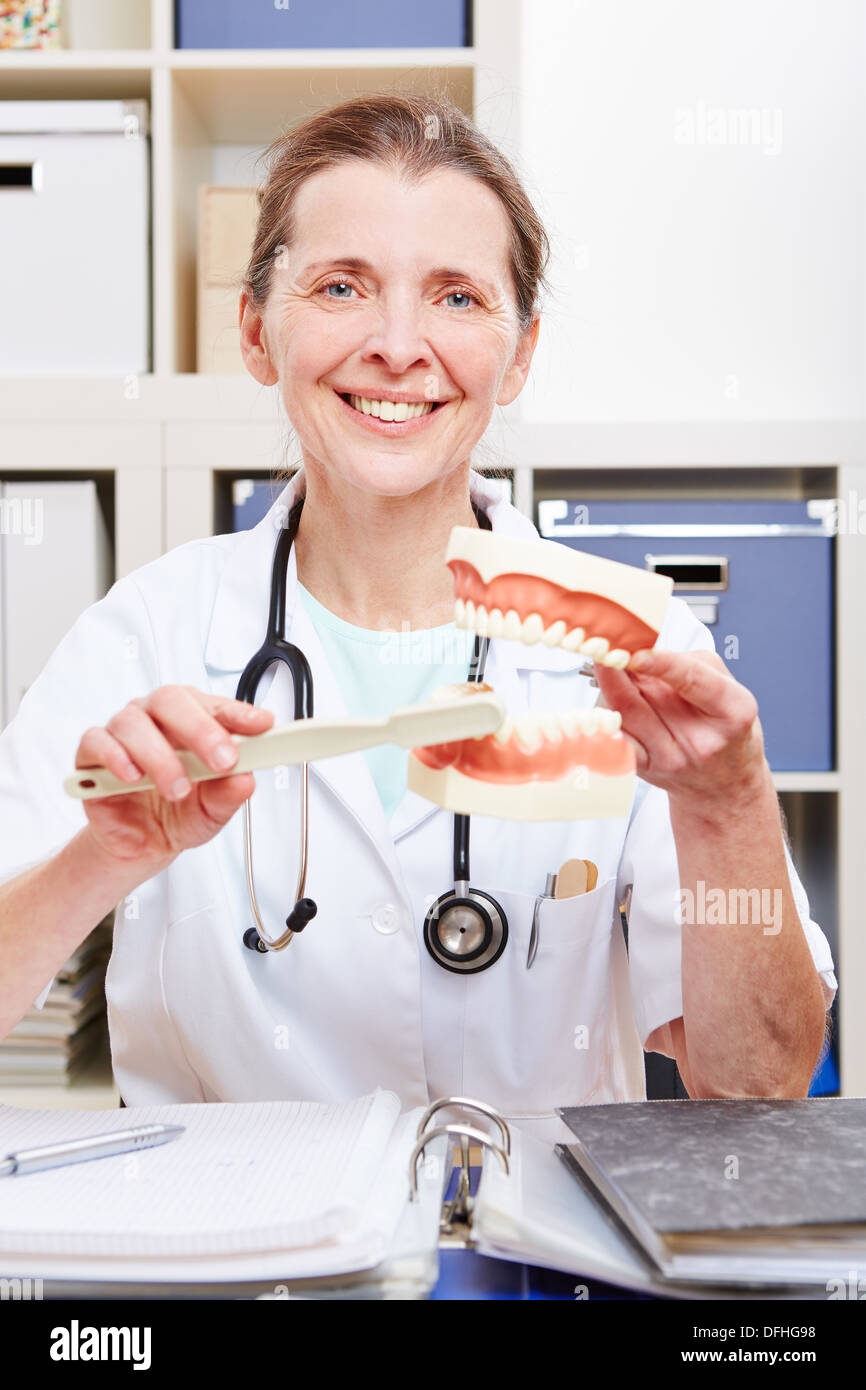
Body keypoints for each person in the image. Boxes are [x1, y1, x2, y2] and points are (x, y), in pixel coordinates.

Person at [0, 94, 835, 1143]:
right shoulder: (147, 632)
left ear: (518, 354)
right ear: (258, 332)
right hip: (238, 1265)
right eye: (341, 286)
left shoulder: (639, 644)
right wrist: (103, 859)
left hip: (535, 1257)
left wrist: (727, 804)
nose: (398, 346)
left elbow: (757, 1077)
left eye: (455, 298)